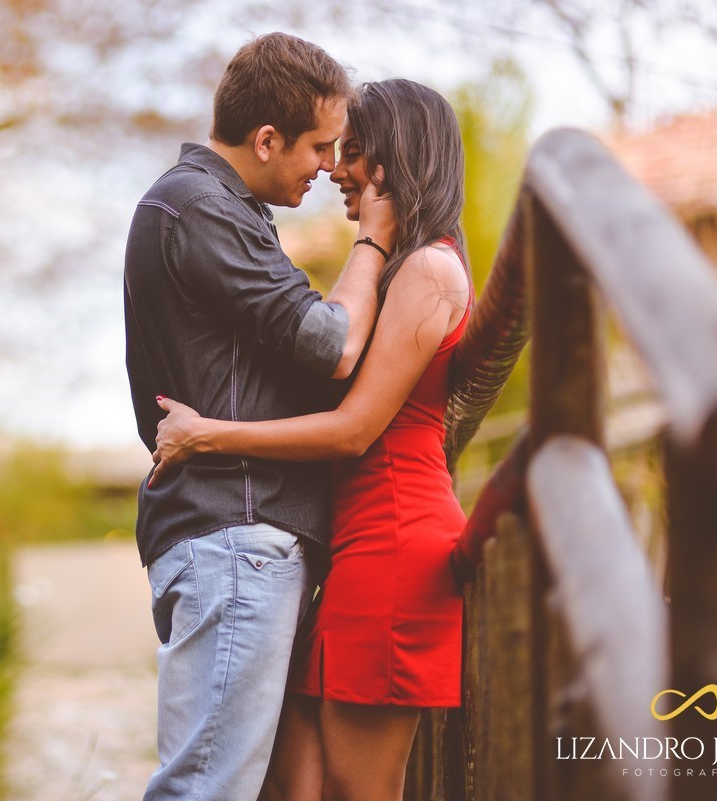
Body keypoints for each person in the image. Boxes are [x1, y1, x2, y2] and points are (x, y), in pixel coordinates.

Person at [150, 78, 471, 801]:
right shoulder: (396, 266)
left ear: (396, 161)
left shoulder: (428, 269)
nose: (334, 170)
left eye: (351, 153)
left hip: (392, 543)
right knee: (294, 785)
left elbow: (356, 431)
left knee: (359, 790)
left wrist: (207, 435)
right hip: (355, 548)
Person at [123, 33, 398, 801]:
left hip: (225, 539)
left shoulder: (202, 207)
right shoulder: (201, 208)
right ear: (267, 138)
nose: (326, 167)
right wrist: (374, 239)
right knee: (204, 790)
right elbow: (333, 341)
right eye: (317, 146)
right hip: (235, 539)